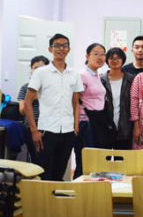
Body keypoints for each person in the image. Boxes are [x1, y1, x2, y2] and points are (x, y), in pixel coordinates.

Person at [24, 33, 84, 181]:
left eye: (64, 45)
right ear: (50, 49)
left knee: (59, 172)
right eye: (57, 46)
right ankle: (43, 197)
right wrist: (34, 130)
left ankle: (56, 196)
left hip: (68, 131)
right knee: (44, 172)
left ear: (69, 49)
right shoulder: (40, 72)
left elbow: (76, 102)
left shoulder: (74, 74)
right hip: (46, 130)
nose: (61, 49)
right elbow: (27, 102)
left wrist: (76, 127)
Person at [74, 43, 107, 179]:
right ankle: (78, 188)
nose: (100, 57)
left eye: (103, 54)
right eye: (96, 54)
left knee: (92, 161)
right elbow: (75, 100)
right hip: (85, 122)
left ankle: (90, 188)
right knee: (85, 162)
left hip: (95, 122)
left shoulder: (96, 75)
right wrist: (76, 125)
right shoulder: (83, 75)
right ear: (87, 56)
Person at [100, 47, 135, 150]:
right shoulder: (100, 80)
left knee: (122, 158)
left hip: (125, 127)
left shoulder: (131, 79)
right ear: (107, 60)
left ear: (123, 60)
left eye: (118, 58)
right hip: (105, 127)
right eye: (111, 58)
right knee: (104, 158)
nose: (115, 61)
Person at [18, 55, 50, 161]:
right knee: (36, 158)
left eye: (42, 68)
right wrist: (31, 98)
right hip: (31, 128)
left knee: (49, 159)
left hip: (50, 128)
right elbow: (22, 111)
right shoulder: (25, 87)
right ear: (31, 70)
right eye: (35, 68)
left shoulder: (51, 87)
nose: (38, 71)